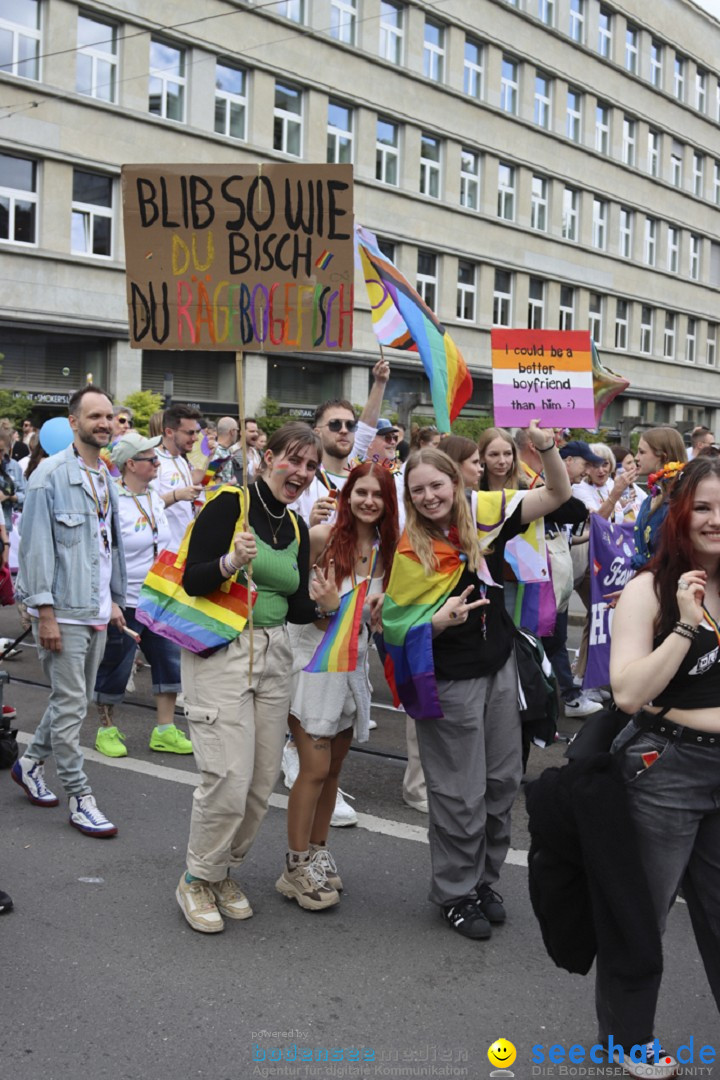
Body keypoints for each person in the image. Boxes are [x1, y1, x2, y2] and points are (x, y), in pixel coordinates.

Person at [382, 422, 571, 940]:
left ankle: (484, 881)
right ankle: (455, 893)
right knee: (457, 795)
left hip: (499, 670)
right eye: (417, 490)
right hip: (449, 683)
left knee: (500, 783)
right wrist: (435, 623)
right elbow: (393, 627)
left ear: (457, 483)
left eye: (436, 485)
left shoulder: (486, 514)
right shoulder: (409, 552)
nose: (428, 496)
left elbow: (558, 493)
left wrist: (547, 446)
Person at [175, 422, 341, 934]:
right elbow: (193, 577)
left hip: (275, 652)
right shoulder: (230, 502)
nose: (302, 472)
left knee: (262, 779)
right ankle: (196, 878)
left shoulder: (293, 526)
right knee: (226, 775)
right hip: (224, 648)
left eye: (312, 466)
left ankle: (226, 871)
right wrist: (230, 561)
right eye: (294, 460)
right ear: (268, 458)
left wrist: (324, 606)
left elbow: (295, 607)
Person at [600, 454, 720, 1078]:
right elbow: (626, 692)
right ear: (679, 514)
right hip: (665, 766)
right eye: (703, 507)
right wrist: (685, 627)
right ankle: (627, 1039)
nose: (716, 520)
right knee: (642, 910)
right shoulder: (650, 588)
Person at [279, 463, 399, 909]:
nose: (369, 501)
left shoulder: (390, 551)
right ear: (347, 495)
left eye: (378, 494)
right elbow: (292, 604)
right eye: (361, 492)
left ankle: (316, 851)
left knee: (332, 771)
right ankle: (294, 868)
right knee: (312, 769)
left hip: (351, 670)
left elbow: (379, 622)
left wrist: (384, 616)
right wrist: (326, 607)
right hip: (310, 666)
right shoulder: (321, 538)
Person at [12, 386, 127, 837]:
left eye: (109, 416)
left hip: (95, 608)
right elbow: (36, 547)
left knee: (71, 702)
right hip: (62, 611)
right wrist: (44, 613)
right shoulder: (50, 475)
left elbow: (105, 546)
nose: (104, 422)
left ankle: (28, 764)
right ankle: (81, 797)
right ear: (73, 421)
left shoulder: (105, 476)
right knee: (70, 705)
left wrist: (113, 601)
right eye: (94, 416)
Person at [92, 431, 191, 758]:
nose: (157, 463)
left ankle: (164, 730)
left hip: (159, 598)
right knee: (116, 666)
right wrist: (112, 602)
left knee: (168, 661)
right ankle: (106, 729)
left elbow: (163, 540)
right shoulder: (111, 501)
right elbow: (102, 554)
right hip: (127, 600)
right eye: (151, 459)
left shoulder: (152, 497)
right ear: (131, 465)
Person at [632, 427, 687, 569]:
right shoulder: (652, 496)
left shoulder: (678, 499)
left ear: (663, 457)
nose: (636, 457)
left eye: (642, 452)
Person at [152, 404, 203, 550]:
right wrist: (177, 495)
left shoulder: (181, 459)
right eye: (189, 433)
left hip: (185, 548)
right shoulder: (154, 461)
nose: (195, 438)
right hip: (166, 552)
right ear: (169, 432)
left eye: (196, 433)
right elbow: (149, 506)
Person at [0, 430, 25, 535]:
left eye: (1, 450)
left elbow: (26, 495)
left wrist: (11, 496)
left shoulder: (14, 466)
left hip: (5, 526)